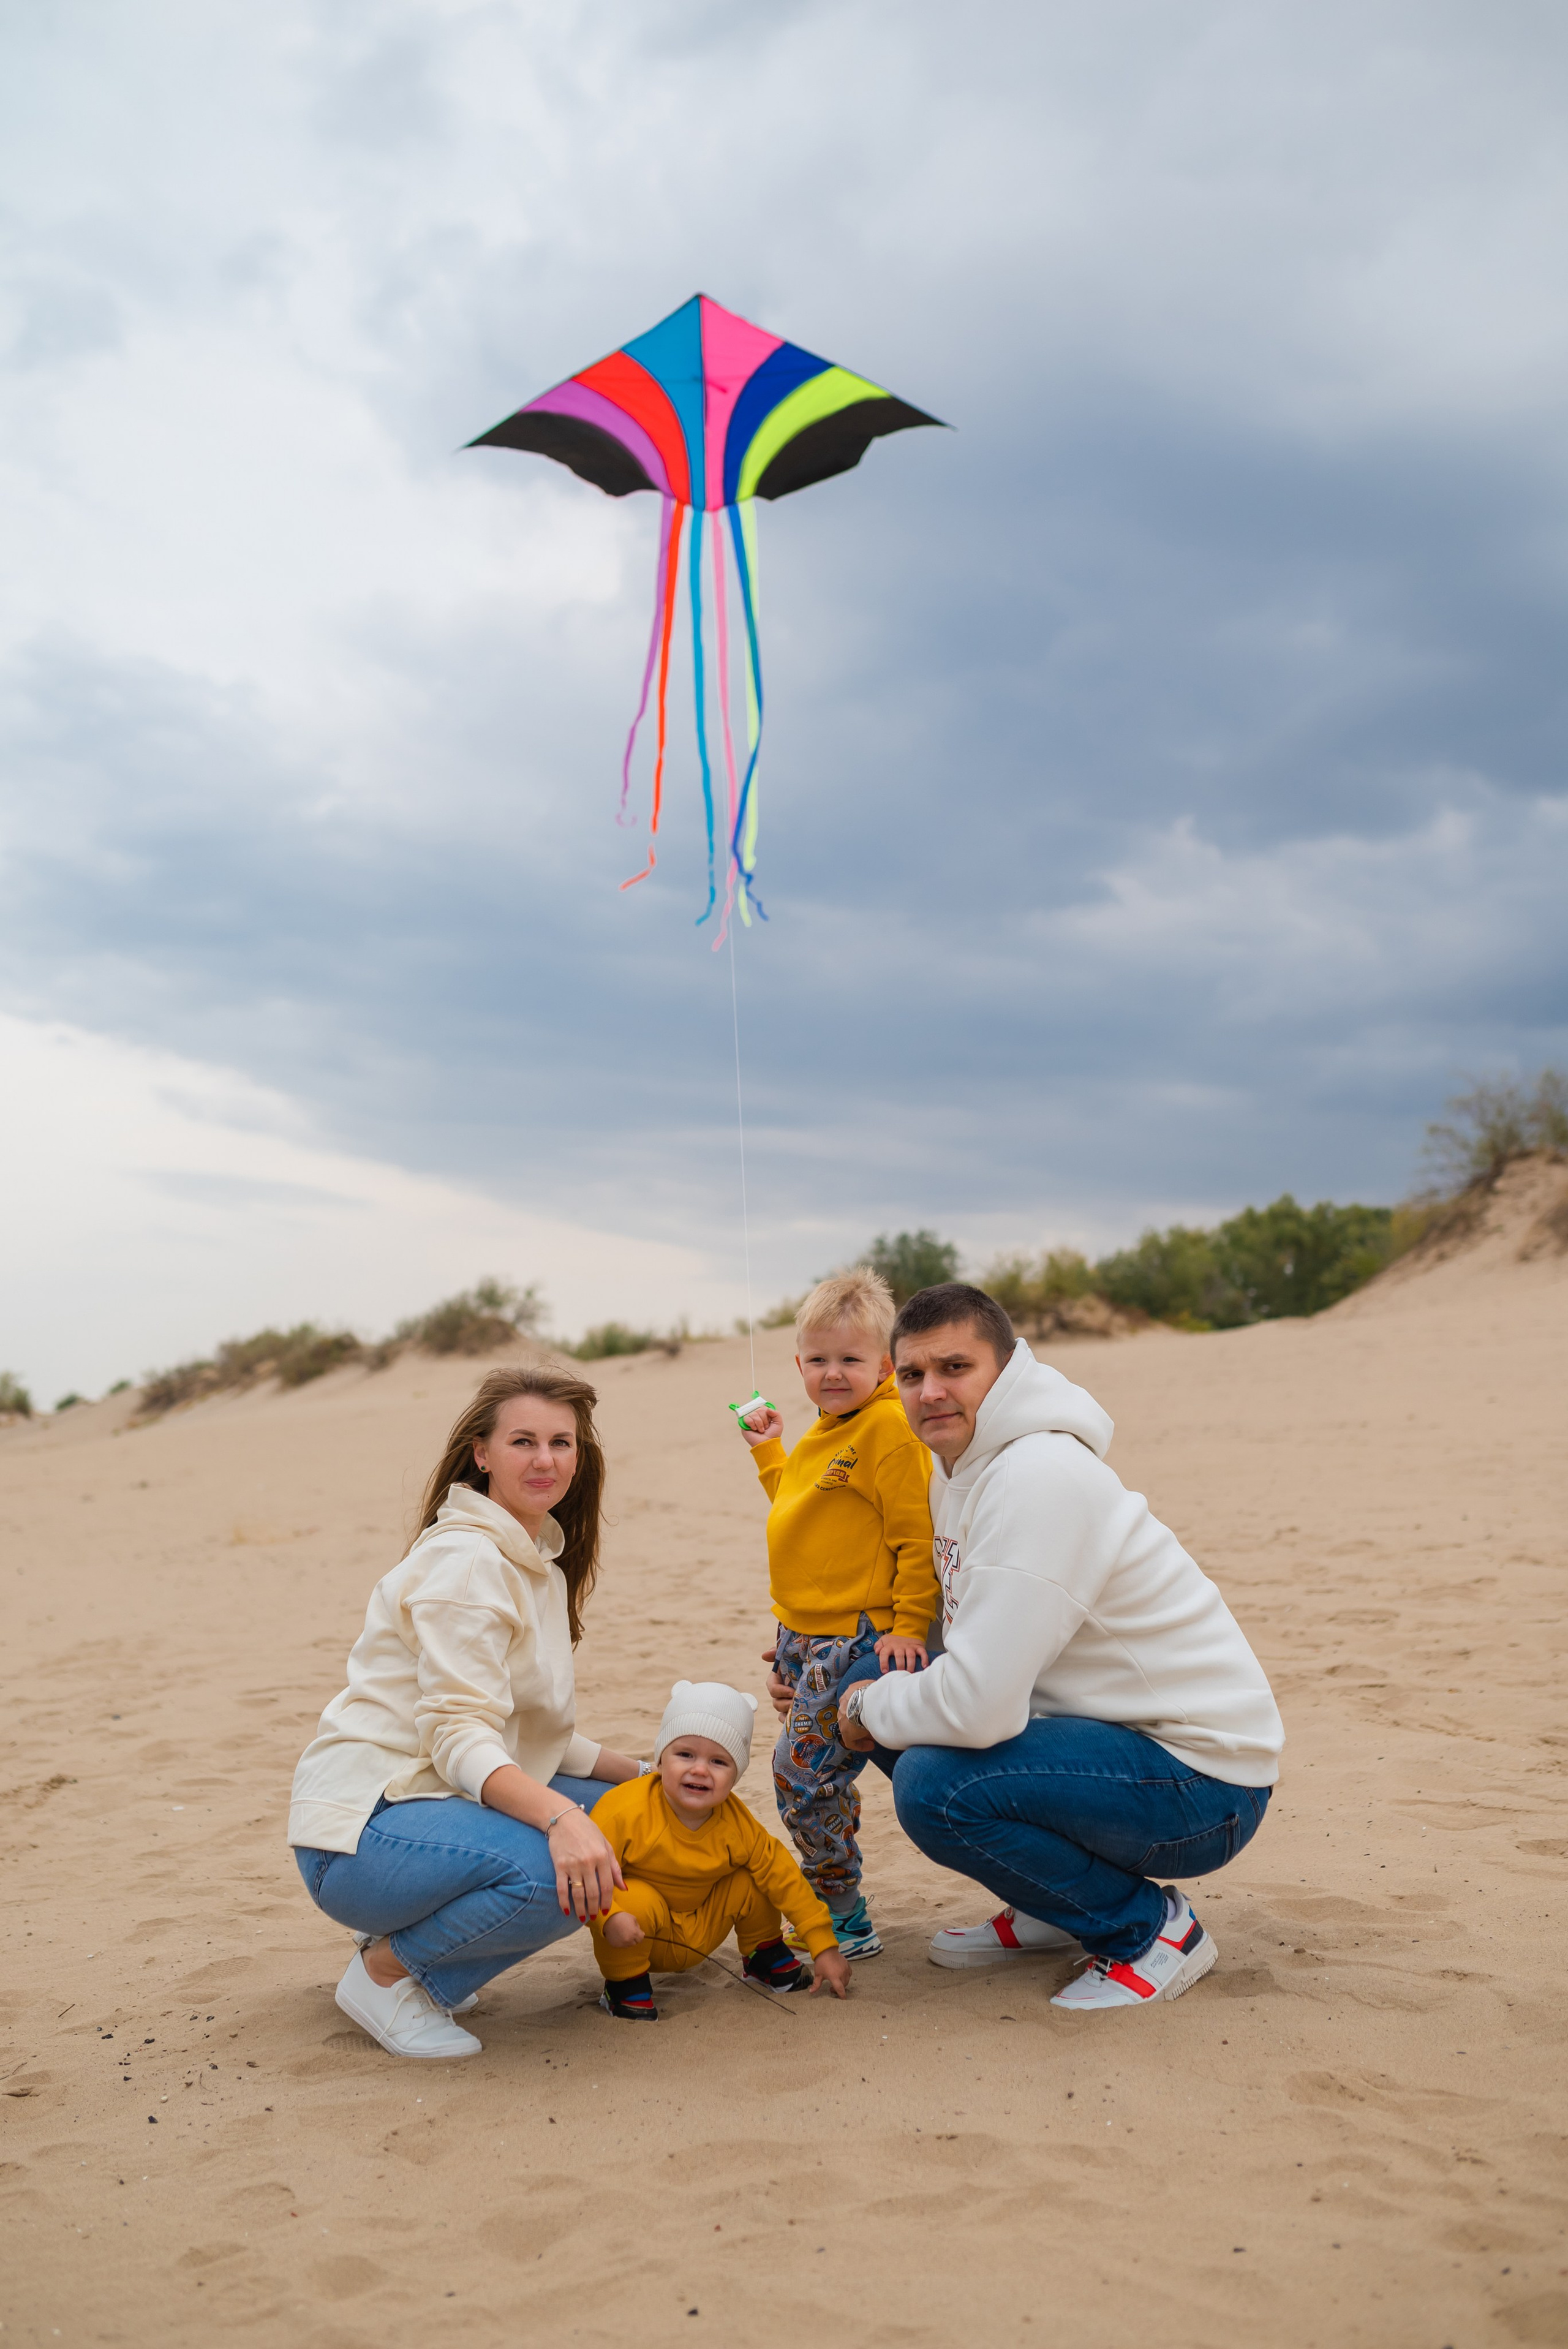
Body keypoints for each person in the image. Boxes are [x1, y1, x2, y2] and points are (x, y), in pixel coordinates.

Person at [822, 1283, 1284, 2012]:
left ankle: (1148, 1931)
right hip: (1104, 1735)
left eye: (954, 1368)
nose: (930, 1392)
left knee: (934, 1784)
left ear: (1005, 1371)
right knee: (867, 1671)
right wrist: (837, 1679)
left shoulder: (1037, 1476)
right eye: (911, 1375)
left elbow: (978, 1710)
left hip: (1203, 1780)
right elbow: (965, 1626)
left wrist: (864, 1707)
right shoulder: (960, 1465)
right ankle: (1050, 1901)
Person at [288, 1363, 647, 2058]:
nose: (546, 1460)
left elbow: (537, 1737)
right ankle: (387, 1975)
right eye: (523, 1441)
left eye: (562, 1442)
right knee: (561, 1868)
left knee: (631, 1814)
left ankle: (431, 1953)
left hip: (426, 1801)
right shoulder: (469, 1562)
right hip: (363, 1833)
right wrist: (563, 1818)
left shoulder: (530, 1556)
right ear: (482, 1453)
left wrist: (646, 1773)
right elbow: (459, 1737)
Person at [735, 1270, 938, 1959]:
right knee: (823, 1772)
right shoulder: (831, 1429)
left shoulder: (887, 1427)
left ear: (885, 1364)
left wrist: (910, 1625)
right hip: (799, 1629)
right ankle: (838, 1887)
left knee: (800, 1775)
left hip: (856, 1631)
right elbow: (804, 1512)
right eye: (818, 1360)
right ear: (797, 1365)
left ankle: (842, 1911)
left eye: (851, 1360)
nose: (832, 1374)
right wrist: (769, 1453)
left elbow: (915, 1539)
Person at [589, 1680, 852, 2020]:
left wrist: (824, 1947)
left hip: (703, 1925)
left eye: (718, 1762)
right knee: (632, 1897)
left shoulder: (735, 1823)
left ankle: (764, 1954)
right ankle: (624, 1986)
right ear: (659, 1760)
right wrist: (608, 1918)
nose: (699, 1769)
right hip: (634, 1933)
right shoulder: (624, 1810)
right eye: (685, 1754)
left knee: (758, 1876)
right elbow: (584, 1872)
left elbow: (784, 1877)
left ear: (735, 1776)